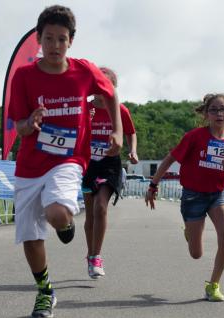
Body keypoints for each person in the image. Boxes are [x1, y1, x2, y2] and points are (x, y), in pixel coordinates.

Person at [8, 5, 123, 317]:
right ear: (39, 40)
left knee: (57, 212)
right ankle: (45, 292)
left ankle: (66, 222)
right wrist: (27, 124)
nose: (55, 46)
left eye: (61, 39)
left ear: (71, 41)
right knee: (31, 237)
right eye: (48, 38)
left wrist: (118, 132)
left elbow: (111, 94)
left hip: (69, 159)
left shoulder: (83, 71)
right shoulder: (24, 76)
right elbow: (16, 124)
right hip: (30, 165)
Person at [145, 94, 224, 302]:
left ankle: (213, 285)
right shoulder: (195, 137)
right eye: (213, 109)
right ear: (206, 114)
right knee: (196, 254)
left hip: (217, 196)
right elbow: (170, 159)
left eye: (223, 109)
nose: (219, 113)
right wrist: (153, 185)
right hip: (193, 196)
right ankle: (189, 231)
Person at [82, 67, 138, 279]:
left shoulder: (120, 110)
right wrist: (87, 119)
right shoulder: (84, 107)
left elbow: (131, 133)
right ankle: (90, 255)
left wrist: (132, 150)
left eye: (106, 84)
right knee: (90, 215)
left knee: (100, 207)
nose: (101, 89)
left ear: (113, 87)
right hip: (87, 164)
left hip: (109, 163)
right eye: (97, 84)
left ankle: (97, 255)